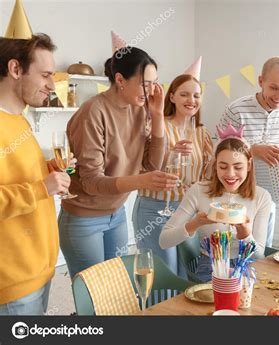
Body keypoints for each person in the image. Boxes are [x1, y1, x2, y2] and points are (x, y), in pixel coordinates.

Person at [59, 46, 178, 279]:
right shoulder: (92, 112)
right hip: (84, 218)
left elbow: (153, 165)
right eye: (145, 83)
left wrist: (157, 116)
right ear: (120, 80)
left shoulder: (140, 110)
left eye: (154, 82)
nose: (151, 90)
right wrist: (141, 181)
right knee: (94, 296)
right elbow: (92, 182)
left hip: (116, 213)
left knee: (116, 289)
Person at [0, 10, 72, 313]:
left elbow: (16, 176)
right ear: (16, 68)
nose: (52, 86)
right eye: (45, 75)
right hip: (14, 281)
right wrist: (42, 187)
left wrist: (48, 171)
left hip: (40, 272)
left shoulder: (20, 121)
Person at [159, 124, 272, 282]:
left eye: (238, 167)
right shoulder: (198, 191)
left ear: (249, 165)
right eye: (223, 167)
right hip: (210, 268)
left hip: (247, 266)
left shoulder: (262, 197)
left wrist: (245, 234)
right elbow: (164, 240)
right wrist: (195, 223)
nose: (230, 174)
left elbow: (259, 255)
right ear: (215, 165)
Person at [218, 50, 279, 248]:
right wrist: (253, 150)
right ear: (260, 81)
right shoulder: (236, 109)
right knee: (234, 249)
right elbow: (219, 152)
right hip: (236, 194)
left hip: (269, 194)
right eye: (274, 88)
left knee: (261, 249)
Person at [133, 58, 213, 276]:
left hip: (186, 210)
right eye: (185, 94)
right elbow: (144, 165)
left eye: (196, 95)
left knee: (186, 272)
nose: (191, 100)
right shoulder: (157, 125)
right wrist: (171, 154)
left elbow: (206, 175)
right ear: (172, 97)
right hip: (155, 207)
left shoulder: (201, 133)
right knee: (163, 274)